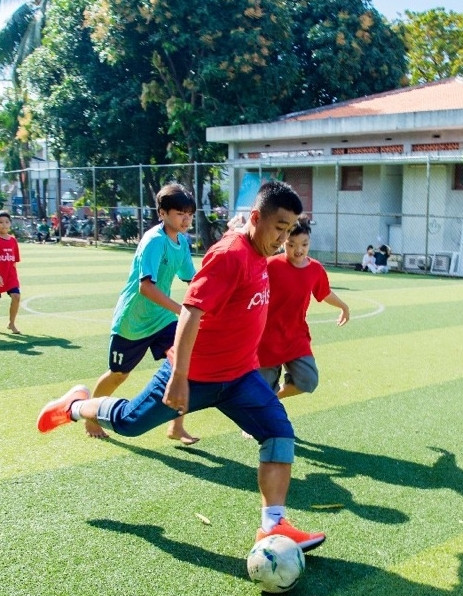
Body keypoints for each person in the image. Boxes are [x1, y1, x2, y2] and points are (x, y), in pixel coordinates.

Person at [37, 181, 326, 552]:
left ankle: (273, 526)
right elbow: (191, 311)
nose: (283, 238)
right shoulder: (230, 255)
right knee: (129, 423)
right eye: (279, 228)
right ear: (256, 218)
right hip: (195, 376)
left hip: (240, 377)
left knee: (279, 433)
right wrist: (178, 376)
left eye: (289, 230)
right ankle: (75, 405)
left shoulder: (261, 255)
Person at [84, 183, 198, 444]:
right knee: (118, 374)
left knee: (184, 362)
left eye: (189, 214)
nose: (186, 219)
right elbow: (146, 288)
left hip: (162, 320)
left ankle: (176, 426)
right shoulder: (154, 241)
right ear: (162, 213)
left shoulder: (181, 242)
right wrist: (182, 311)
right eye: (180, 213)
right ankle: (90, 414)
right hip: (132, 323)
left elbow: (192, 279)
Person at [258, 217, 350, 401]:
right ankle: (255, 421)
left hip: (295, 336)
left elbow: (324, 293)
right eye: (291, 244)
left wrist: (344, 306)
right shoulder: (270, 265)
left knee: (308, 379)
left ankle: (273, 398)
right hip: (267, 338)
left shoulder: (315, 269)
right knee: (261, 391)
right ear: (283, 241)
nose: (298, 250)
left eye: (304, 244)